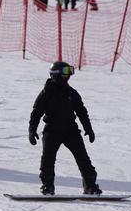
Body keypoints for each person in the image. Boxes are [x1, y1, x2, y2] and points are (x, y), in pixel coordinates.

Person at [28, 61, 101, 196]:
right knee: (48, 159)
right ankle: (48, 186)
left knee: (83, 158)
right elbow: (36, 112)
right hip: (52, 131)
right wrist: (32, 131)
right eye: (65, 72)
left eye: (69, 72)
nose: (68, 76)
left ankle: (90, 186)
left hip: (71, 131)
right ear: (56, 74)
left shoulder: (71, 92)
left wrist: (88, 129)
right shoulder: (46, 93)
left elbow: (81, 112)